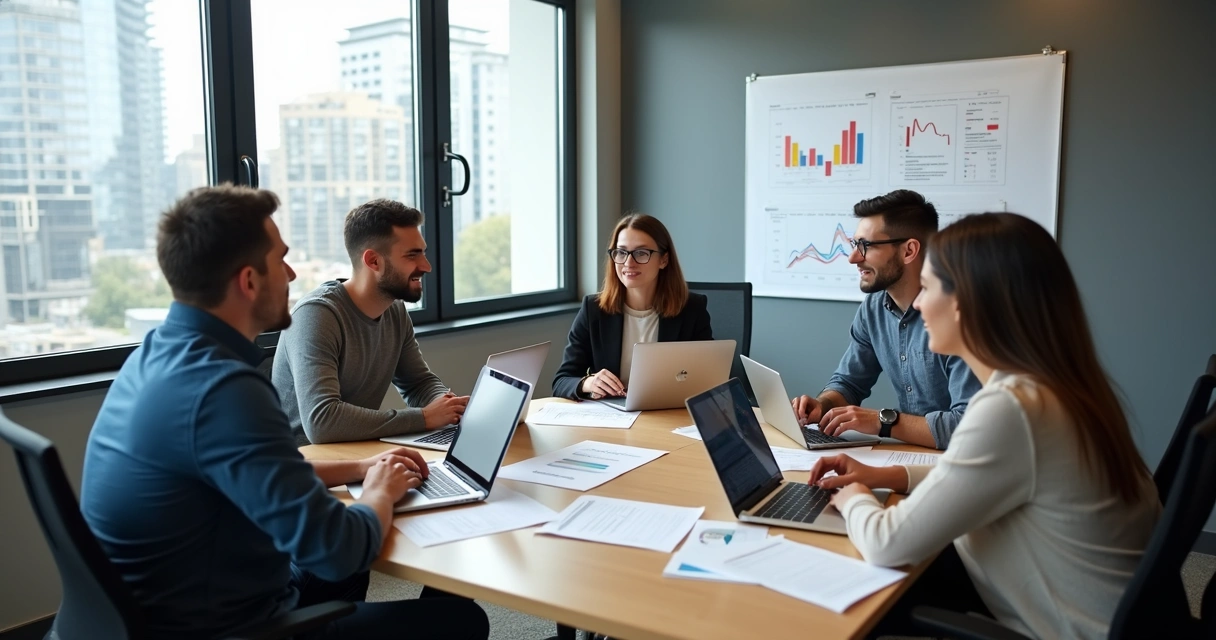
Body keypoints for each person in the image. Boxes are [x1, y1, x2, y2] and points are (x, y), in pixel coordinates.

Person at [80, 185, 490, 639]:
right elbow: (338, 547)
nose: (292, 274)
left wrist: (363, 467)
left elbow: (263, 469)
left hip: (171, 611)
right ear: (249, 280)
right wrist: (378, 490)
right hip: (237, 626)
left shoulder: (158, 356)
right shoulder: (226, 390)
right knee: (462, 619)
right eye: (281, 260)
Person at [808, 212, 1160, 639]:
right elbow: (979, 470)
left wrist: (854, 496)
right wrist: (889, 475)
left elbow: (886, 543)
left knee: (867, 603)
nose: (918, 304)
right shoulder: (1058, 386)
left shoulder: (1012, 409)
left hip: (1063, 629)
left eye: (930, 287)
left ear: (967, 303)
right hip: (1101, 613)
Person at [792, 190, 980, 450]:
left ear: (909, 250)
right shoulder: (874, 307)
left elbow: (969, 427)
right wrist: (822, 406)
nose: (853, 257)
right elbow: (849, 382)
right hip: (910, 457)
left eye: (865, 246)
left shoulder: (960, 314)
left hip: (962, 460)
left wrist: (883, 421)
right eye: (854, 244)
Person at [273, 199, 468, 446]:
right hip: (304, 467)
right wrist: (424, 418)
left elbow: (418, 384)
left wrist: (451, 406)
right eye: (412, 255)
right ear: (373, 261)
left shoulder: (394, 310)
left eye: (423, 252)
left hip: (357, 453)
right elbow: (322, 422)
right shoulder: (317, 315)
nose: (426, 266)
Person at [552, 213, 712, 400]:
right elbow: (562, 381)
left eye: (641, 253)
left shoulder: (692, 309)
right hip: (612, 417)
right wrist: (588, 383)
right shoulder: (593, 309)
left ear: (664, 260)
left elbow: (707, 380)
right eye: (621, 252)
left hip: (667, 414)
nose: (629, 263)